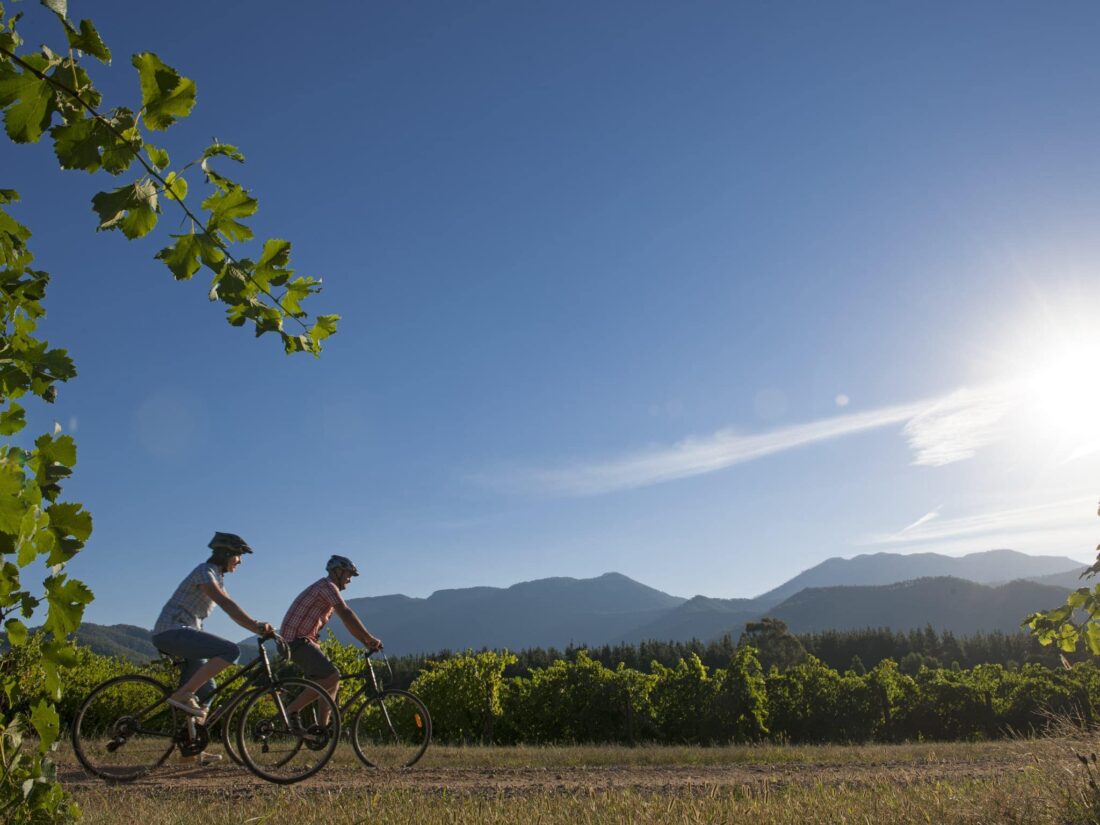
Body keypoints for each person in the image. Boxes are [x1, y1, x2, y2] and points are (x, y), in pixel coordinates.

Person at [151, 532, 274, 724]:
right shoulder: (204, 572)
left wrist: (257, 628)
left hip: (184, 633)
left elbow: (232, 611)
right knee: (231, 650)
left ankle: (192, 750)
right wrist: (256, 625)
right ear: (226, 554)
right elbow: (226, 604)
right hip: (171, 631)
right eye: (238, 555)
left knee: (208, 691)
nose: (240, 561)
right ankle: (184, 693)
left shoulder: (217, 577)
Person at [280, 555, 383, 725]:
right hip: (294, 641)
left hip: (301, 640)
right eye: (348, 575)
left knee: (333, 680)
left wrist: (365, 641)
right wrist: (369, 638)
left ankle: (323, 729)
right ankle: (291, 710)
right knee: (331, 676)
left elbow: (347, 622)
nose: (349, 580)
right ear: (337, 572)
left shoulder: (326, 587)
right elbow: (346, 614)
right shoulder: (327, 587)